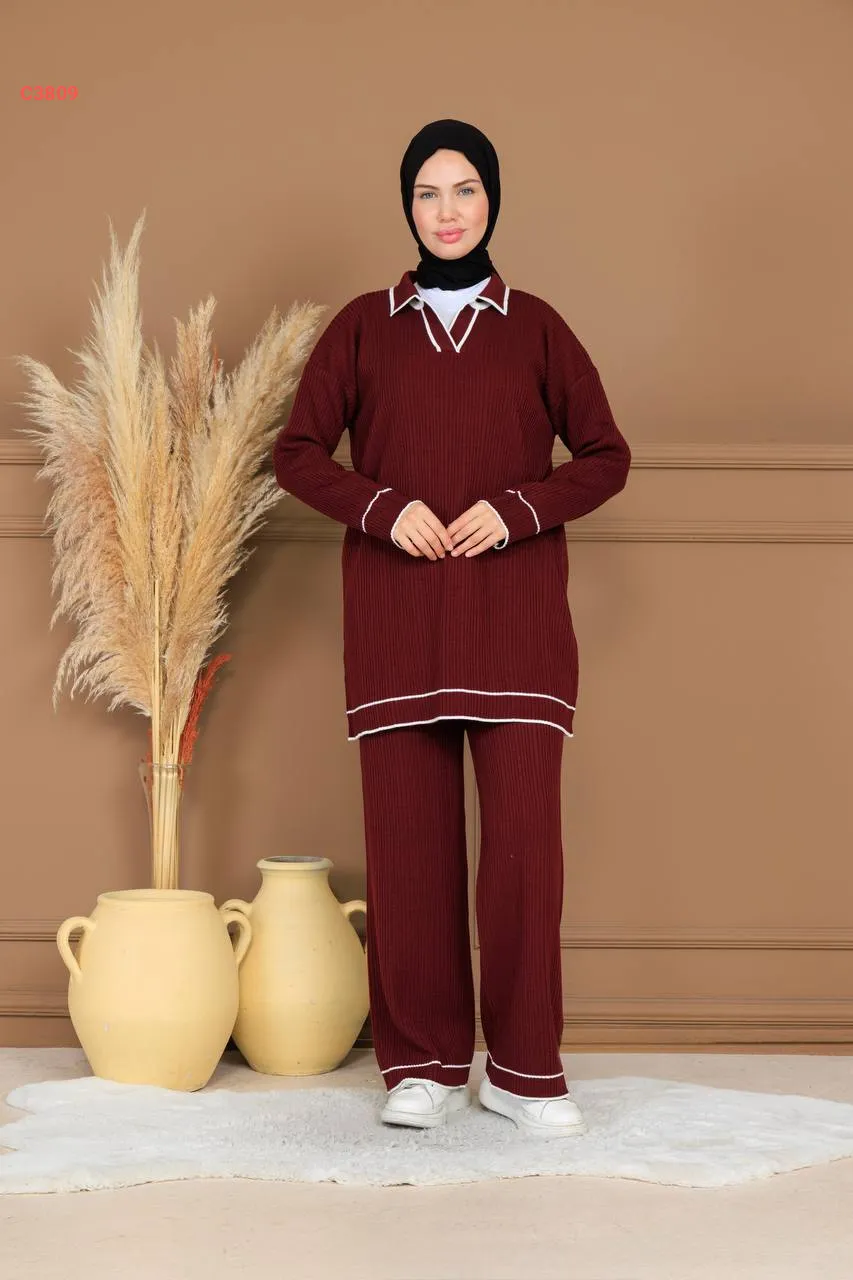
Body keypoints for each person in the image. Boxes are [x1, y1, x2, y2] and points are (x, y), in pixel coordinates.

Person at [272, 119, 631, 1138]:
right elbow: (298, 452)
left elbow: (604, 455)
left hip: (516, 632)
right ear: (406, 206)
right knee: (408, 856)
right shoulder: (361, 327)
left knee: (522, 858)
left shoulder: (537, 327)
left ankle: (522, 1070)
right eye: (427, 192)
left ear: (492, 200)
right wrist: (381, 508)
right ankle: (421, 1065)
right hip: (397, 629)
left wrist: (516, 510)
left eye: (464, 189)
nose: (446, 210)